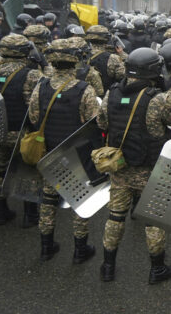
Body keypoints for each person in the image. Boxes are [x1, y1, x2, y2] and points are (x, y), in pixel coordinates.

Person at [97, 48, 171, 284]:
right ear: (154, 70)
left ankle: (107, 267)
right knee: (153, 220)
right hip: (149, 171)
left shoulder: (112, 93)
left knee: (115, 217)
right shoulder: (157, 98)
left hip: (120, 168)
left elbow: (101, 121)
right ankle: (157, 269)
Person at [28, 38, 100, 263]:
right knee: (80, 200)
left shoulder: (40, 86)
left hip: (50, 153)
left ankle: (46, 247)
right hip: (77, 155)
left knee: (48, 200)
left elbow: (33, 117)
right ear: (75, 61)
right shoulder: (84, 89)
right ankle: (80, 250)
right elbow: (95, 122)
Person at [0, 34, 44, 225]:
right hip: (22, 133)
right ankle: (30, 216)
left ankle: (1, 212)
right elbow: (37, 107)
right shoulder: (33, 74)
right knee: (28, 170)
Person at [84, 25, 126, 91]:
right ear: (106, 38)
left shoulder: (81, 55)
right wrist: (121, 54)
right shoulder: (113, 58)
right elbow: (123, 76)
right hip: (105, 96)